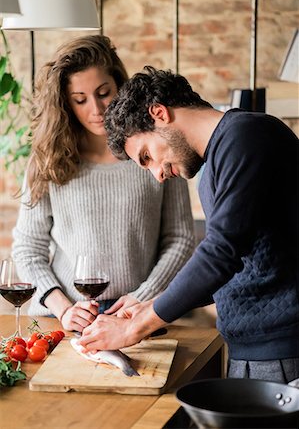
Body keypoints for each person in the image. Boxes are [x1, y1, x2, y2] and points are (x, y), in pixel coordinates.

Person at [79, 66, 299, 383]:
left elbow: (220, 253)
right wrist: (148, 304)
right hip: (253, 351)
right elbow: (232, 268)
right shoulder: (213, 167)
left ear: (159, 114)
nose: (156, 174)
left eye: (146, 156)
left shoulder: (248, 137)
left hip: (283, 352)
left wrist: (133, 328)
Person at [12, 43, 195, 333]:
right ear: (65, 103)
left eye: (103, 93)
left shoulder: (158, 150)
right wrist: (64, 309)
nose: (96, 110)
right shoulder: (49, 158)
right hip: (65, 317)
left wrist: (142, 299)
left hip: (140, 315)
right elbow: (27, 249)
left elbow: (180, 238)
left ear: (119, 86)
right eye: (80, 99)